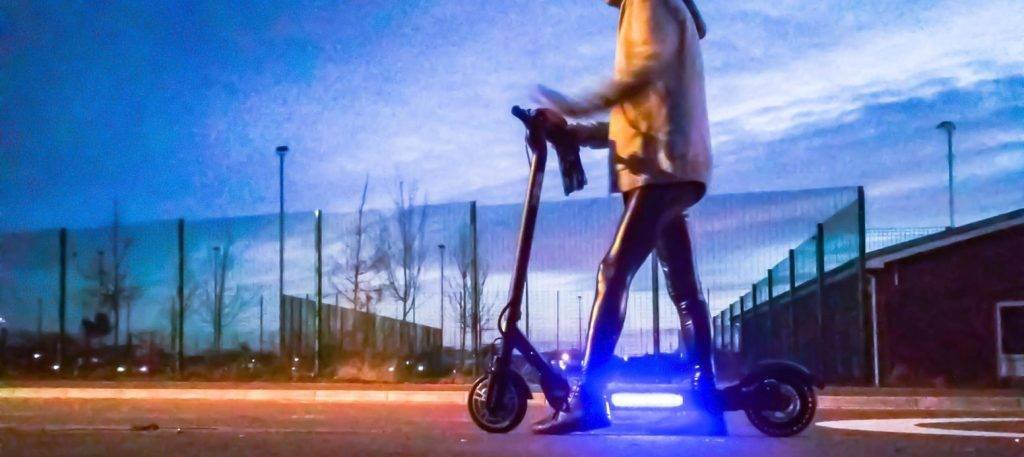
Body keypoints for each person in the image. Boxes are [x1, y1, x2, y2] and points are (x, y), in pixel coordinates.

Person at [532, 0, 721, 435]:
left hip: (661, 170)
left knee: (613, 272)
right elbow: (636, 117)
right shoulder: (664, 9)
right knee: (684, 290)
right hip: (672, 166)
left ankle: (589, 400)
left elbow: (640, 77)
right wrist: (575, 133)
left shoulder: (648, 2)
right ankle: (705, 399)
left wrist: (575, 105)